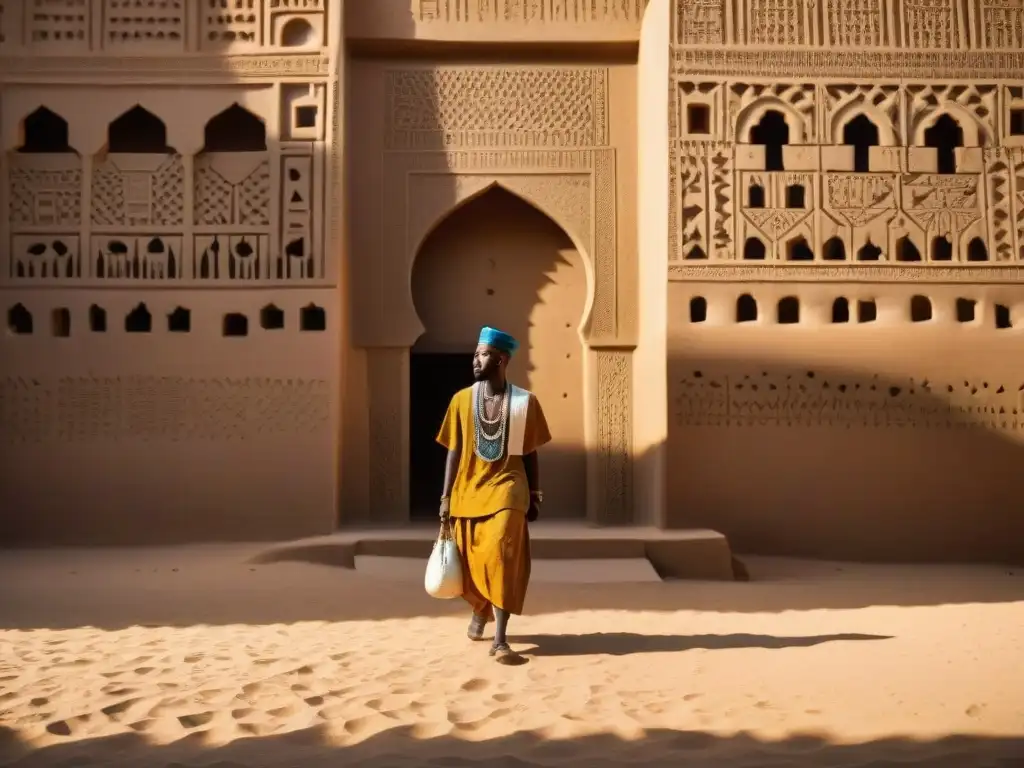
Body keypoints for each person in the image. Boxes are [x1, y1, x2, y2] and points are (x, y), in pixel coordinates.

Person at [436, 326, 551, 663]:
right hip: (468, 491)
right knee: (472, 561)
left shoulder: (524, 402)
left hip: (508, 489)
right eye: (475, 354)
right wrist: (445, 498)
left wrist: (535, 493)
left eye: (482, 354)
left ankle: (500, 640)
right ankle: (480, 606)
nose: (475, 360)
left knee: (502, 553)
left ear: (501, 359)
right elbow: (453, 453)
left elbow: (530, 452)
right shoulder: (461, 400)